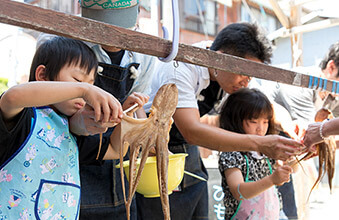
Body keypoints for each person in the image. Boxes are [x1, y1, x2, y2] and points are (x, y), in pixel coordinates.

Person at [138, 22, 302, 220]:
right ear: (221, 57)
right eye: (243, 73)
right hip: (155, 151)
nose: (246, 81)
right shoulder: (181, 66)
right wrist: (259, 143)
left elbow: (262, 102)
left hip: (188, 152)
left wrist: (291, 126)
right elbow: (192, 131)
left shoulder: (232, 71)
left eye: (251, 76)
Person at [0, 36, 127, 219]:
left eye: (92, 85)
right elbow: (12, 97)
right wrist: (84, 90)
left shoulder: (71, 130)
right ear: (43, 75)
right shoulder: (25, 117)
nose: (86, 94)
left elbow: (116, 150)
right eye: (77, 79)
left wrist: (126, 116)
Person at [57, 1, 157, 220]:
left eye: (121, 26)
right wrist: (82, 98)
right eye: (104, 28)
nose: (113, 36)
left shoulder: (145, 54)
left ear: (136, 14)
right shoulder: (64, 46)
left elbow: (136, 113)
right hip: (73, 155)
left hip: (116, 152)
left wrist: (141, 131)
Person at [218, 88, 293, 219]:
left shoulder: (266, 152)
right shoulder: (232, 154)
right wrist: (271, 180)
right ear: (236, 120)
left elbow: (286, 169)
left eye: (265, 122)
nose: (260, 128)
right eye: (253, 122)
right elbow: (238, 191)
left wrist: (292, 159)